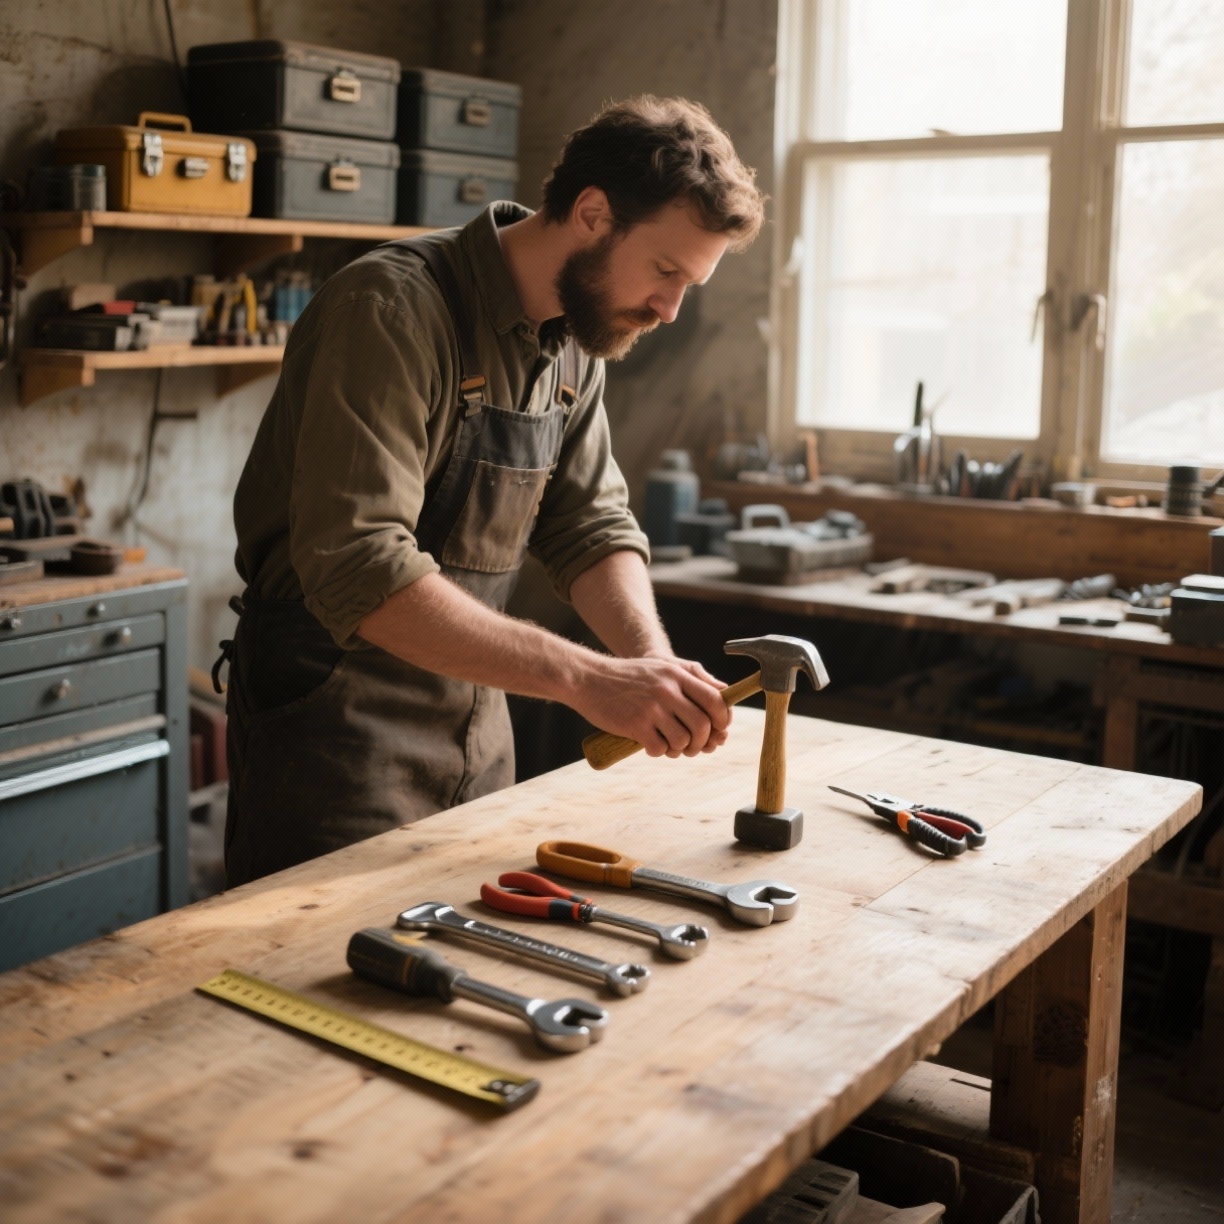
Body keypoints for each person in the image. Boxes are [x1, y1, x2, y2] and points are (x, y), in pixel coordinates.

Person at [221, 95, 767, 887]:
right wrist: (590, 680)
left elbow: (590, 525)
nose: (670, 310)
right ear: (591, 213)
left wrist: (648, 663)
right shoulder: (391, 310)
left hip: (478, 727)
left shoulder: (578, 341)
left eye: (692, 284)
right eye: (664, 270)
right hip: (333, 734)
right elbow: (361, 568)